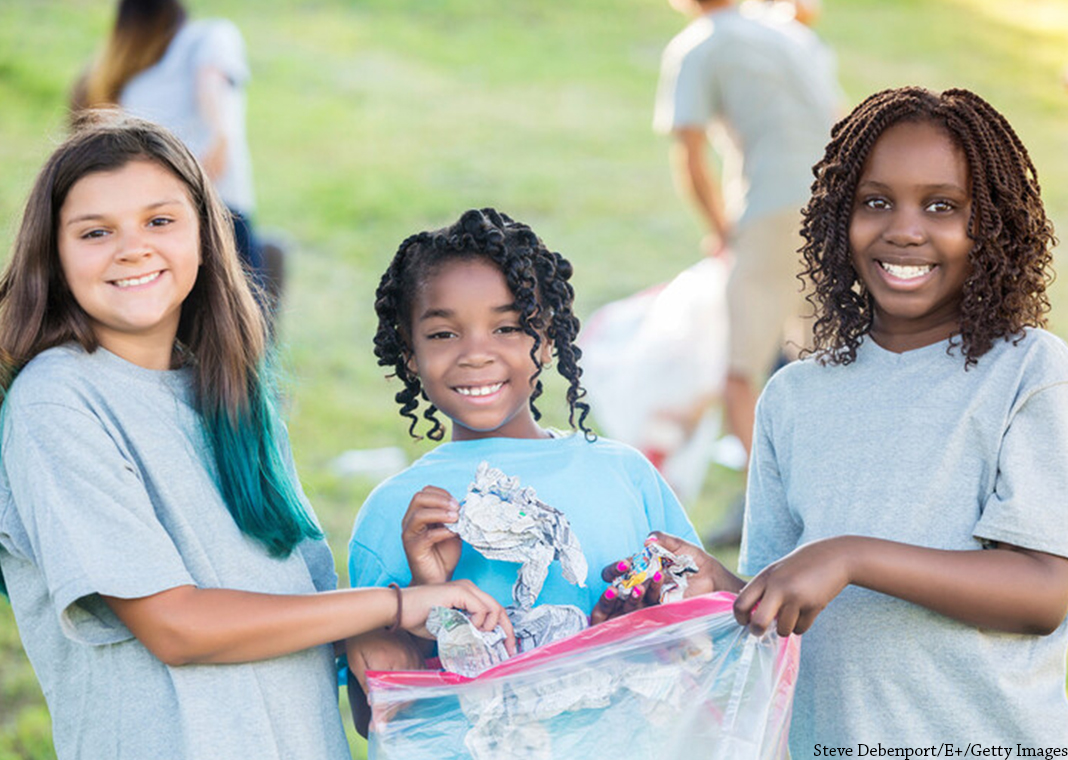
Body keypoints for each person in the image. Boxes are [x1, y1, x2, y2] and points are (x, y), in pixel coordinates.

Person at [0, 113, 513, 760]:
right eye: (95, 232)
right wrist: (393, 602)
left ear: (206, 237)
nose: (132, 248)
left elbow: (330, 639)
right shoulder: (57, 400)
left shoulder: (235, 396)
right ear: (55, 255)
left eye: (160, 221)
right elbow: (175, 626)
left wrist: (416, 601)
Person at [618, 87, 1068, 750]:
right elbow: (786, 601)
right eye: (875, 201)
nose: (904, 228)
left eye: (942, 205)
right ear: (837, 218)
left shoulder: (1028, 370)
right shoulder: (795, 396)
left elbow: (1041, 591)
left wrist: (850, 556)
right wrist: (725, 588)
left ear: (991, 225)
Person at [345, 208, 701, 733]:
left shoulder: (625, 474)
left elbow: (701, 629)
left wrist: (650, 615)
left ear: (549, 337)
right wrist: (429, 595)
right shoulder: (399, 511)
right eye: (444, 334)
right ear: (409, 350)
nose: (476, 354)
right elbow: (372, 714)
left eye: (507, 327)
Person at [654, 0, 840, 461]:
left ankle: (768, 511)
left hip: (773, 207)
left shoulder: (699, 45)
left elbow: (690, 154)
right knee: (823, 365)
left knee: (739, 374)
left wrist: (720, 229)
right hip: (842, 202)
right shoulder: (790, 32)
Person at [71, 0, 283, 318]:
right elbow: (218, 123)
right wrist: (217, 144)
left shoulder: (126, 68)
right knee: (247, 334)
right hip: (218, 210)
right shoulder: (211, 35)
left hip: (148, 227)